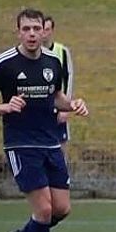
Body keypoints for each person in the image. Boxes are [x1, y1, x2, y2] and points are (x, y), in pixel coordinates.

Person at [0, 8, 89, 232]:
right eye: (26, 29)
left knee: (62, 209)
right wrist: (4, 107)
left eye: (36, 28)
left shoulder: (53, 61)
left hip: (51, 142)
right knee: (44, 210)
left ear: (44, 31)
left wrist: (73, 104)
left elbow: (56, 96)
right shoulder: (2, 63)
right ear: (18, 31)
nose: (32, 34)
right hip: (21, 144)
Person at [41, 16, 74, 146]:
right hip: (39, 108)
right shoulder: (31, 52)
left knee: (60, 147)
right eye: (42, 29)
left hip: (57, 107)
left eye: (47, 29)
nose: (44, 33)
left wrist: (65, 108)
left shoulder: (62, 51)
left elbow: (68, 79)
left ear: (52, 31)